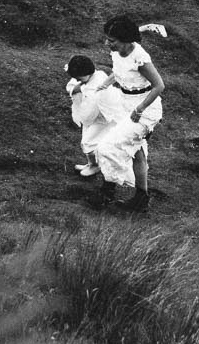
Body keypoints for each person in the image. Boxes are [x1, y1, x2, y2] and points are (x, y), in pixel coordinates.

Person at [97, 14, 166, 211]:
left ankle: (107, 191)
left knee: (108, 146)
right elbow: (119, 69)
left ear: (126, 41)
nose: (107, 43)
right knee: (137, 153)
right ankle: (141, 199)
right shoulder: (119, 50)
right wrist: (106, 83)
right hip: (126, 104)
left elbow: (159, 85)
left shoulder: (140, 58)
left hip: (144, 110)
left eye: (111, 40)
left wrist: (140, 109)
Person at [64, 54, 111, 178]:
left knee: (88, 142)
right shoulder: (84, 78)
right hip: (89, 114)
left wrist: (84, 118)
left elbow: (91, 110)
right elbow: (71, 86)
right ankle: (91, 163)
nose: (78, 80)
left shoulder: (99, 81)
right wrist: (78, 88)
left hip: (102, 117)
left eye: (80, 78)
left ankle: (96, 166)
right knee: (86, 138)